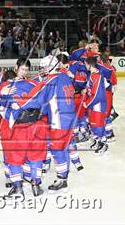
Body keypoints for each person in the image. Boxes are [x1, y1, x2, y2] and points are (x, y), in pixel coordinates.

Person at [13, 55, 77, 192]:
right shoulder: (64, 76)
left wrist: (19, 101)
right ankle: (64, 176)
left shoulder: (51, 80)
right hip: (70, 117)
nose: (43, 69)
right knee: (64, 148)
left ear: (51, 66)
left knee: (57, 149)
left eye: (45, 67)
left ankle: (61, 179)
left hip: (59, 120)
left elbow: (38, 99)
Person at [0, 58, 48, 199]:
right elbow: (43, 103)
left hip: (19, 127)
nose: (24, 72)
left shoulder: (7, 85)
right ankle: (35, 185)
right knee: (35, 156)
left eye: (26, 70)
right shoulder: (34, 83)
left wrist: (7, 98)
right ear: (16, 67)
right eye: (22, 69)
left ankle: (19, 188)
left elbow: (1, 104)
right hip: (35, 125)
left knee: (15, 157)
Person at [83, 57, 109, 155]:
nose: (85, 66)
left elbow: (98, 94)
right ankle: (98, 141)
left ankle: (104, 143)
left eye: (86, 64)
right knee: (94, 124)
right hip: (93, 104)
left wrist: (87, 103)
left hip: (97, 104)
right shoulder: (92, 74)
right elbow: (91, 88)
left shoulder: (97, 76)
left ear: (89, 64)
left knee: (98, 125)